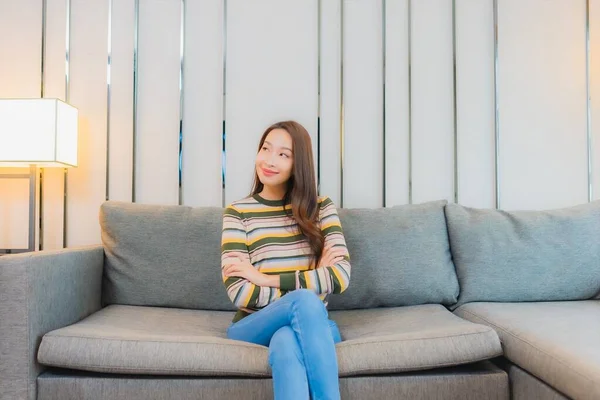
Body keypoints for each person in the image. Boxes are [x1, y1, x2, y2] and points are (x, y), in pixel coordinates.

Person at [220, 120, 352, 400]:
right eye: (266, 149)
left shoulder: (321, 208)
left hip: (315, 325)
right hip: (251, 325)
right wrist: (313, 281)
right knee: (305, 301)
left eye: (283, 154)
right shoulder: (238, 213)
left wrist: (263, 278)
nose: (269, 160)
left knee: (285, 341)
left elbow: (340, 276)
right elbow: (240, 292)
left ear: (298, 163)